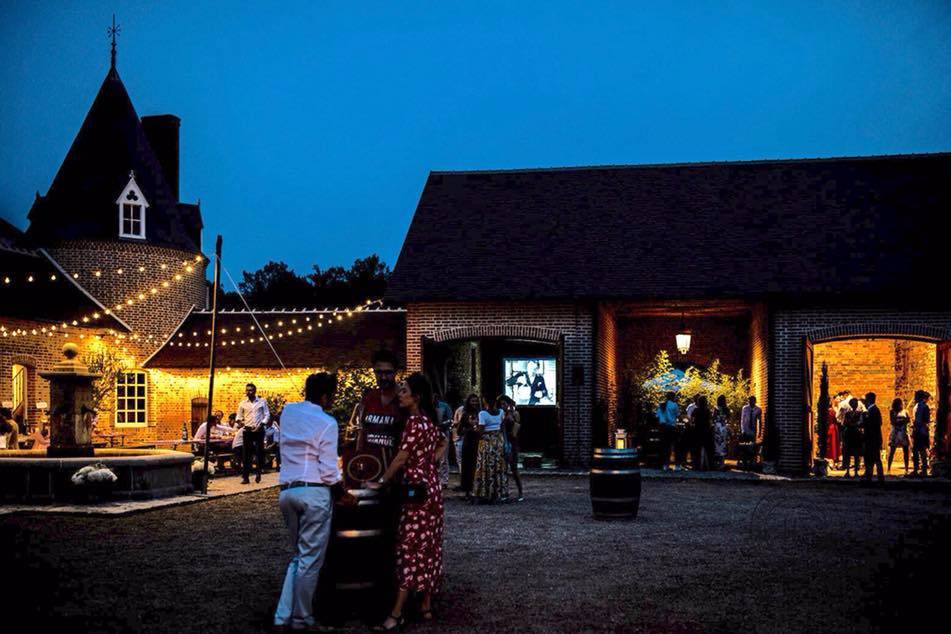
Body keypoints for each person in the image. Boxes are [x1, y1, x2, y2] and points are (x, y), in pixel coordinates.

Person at [273, 372, 356, 631]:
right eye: (332, 396)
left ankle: (282, 616)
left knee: (299, 556)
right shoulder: (327, 422)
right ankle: (303, 619)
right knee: (310, 560)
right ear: (325, 396)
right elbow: (329, 469)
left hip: (287, 491)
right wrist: (342, 493)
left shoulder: (287, 412)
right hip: (314, 493)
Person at [368, 373, 446, 631]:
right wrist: (429, 462)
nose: (399, 394)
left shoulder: (414, 423)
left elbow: (401, 458)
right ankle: (425, 605)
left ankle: (397, 612)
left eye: (404, 391)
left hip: (415, 491)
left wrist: (382, 481)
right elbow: (443, 443)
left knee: (409, 546)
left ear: (416, 397)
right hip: (432, 489)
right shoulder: (429, 422)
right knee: (429, 545)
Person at [349, 350, 405, 473]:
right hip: (370, 468)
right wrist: (358, 457)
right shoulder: (369, 397)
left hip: (396, 472)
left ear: (396, 372)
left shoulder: (404, 399)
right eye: (379, 372)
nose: (383, 377)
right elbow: (362, 431)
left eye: (388, 372)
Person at [473, 396, 509, 503]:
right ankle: (498, 492)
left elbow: (480, 431)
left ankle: (485, 492)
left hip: (486, 442)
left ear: (485, 401)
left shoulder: (482, 414)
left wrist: (474, 426)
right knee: (498, 467)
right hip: (498, 441)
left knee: (485, 466)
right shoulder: (501, 412)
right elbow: (502, 427)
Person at [236, 383, 270, 484]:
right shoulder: (242, 403)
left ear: (255, 391)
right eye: (247, 390)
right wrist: (241, 422)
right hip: (248, 430)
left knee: (259, 452)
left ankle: (258, 473)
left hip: (259, 430)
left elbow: (267, 415)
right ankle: (245, 477)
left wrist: (260, 425)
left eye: (250, 390)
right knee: (246, 454)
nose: (248, 392)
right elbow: (238, 416)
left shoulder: (262, 401)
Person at [452, 394, 481, 497]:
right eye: (472, 401)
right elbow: (459, 431)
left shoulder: (481, 413)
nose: (474, 403)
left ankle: (478, 490)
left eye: (476, 401)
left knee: (478, 467)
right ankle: (468, 491)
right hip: (468, 443)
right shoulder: (465, 414)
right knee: (468, 467)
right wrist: (471, 428)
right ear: (468, 402)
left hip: (479, 443)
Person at [499, 395, 524, 501]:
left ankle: (520, 492)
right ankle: (504, 492)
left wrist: (511, 420)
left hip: (512, 442)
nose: (502, 406)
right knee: (502, 469)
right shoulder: (500, 414)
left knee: (514, 468)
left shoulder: (515, 413)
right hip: (502, 441)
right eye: (501, 404)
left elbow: (517, 427)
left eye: (504, 404)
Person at [432, 391, 454, 489]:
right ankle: (434, 478)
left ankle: (444, 480)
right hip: (431, 433)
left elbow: (450, 420)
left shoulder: (444, 406)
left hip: (443, 432)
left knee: (444, 457)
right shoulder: (427, 407)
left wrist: (441, 426)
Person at [861, 392, 884, 483]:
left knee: (872, 457)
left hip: (872, 438)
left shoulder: (872, 411)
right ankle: (876, 476)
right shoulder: (875, 410)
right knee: (874, 457)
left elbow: (871, 425)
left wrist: (864, 420)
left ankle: (872, 476)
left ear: (869, 400)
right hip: (874, 437)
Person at [656, 392, 679, 471]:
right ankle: (675, 464)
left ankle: (664, 465)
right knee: (673, 446)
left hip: (662, 428)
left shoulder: (661, 405)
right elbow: (677, 415)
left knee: (664, 446)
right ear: (673, 397)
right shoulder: (674, 405)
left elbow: (657, 416)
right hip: (671, 427)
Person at [841, 398, 864, 477]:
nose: (855, 405)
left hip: (856, 434)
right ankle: (847, 470)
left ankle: (855, 471)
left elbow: (861, 423)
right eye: (854, 403)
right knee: (848, 452)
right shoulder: (848, 413)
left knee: (856, 453)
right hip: (850, 433)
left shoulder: (859, 413)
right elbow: (845, 423)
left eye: (856, 403)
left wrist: (852, 424)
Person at [887, 398, 910, 474]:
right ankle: (888, 468)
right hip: (895, 433)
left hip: (903, 432)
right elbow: (893, 422)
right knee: (892, 451)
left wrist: (900, 421)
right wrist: (902, 421)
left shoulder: (905, 411)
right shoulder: (892, 412)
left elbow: (908, 420)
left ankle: (906, 468)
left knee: (906, 451)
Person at [691, 396, 714, 471]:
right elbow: (710, 422)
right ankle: (709, 466)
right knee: (708, 450)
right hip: (706, 431)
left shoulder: (695, 410)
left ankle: (696, 466)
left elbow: (692, 420)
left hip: (697, 431)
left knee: (697, 450)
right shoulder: (708, 410)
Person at [911, 390, 931, 477]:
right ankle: (922, 469)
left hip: (919, 430)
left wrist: (915, 428)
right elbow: (927, 419)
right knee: (921, 450)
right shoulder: (924, 406)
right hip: (922, 430)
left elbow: (919, 420)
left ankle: (918, 469)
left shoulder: (920, 406)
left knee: (917, 450)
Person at [712, 395, 730, 470]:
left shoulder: (716, 409)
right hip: (724, 427)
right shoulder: (727, 409)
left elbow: (713, 418)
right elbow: (729, 418)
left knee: (717, 445)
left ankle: (717, 463)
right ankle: (722, 463)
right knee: (723, 444)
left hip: (717, 427)